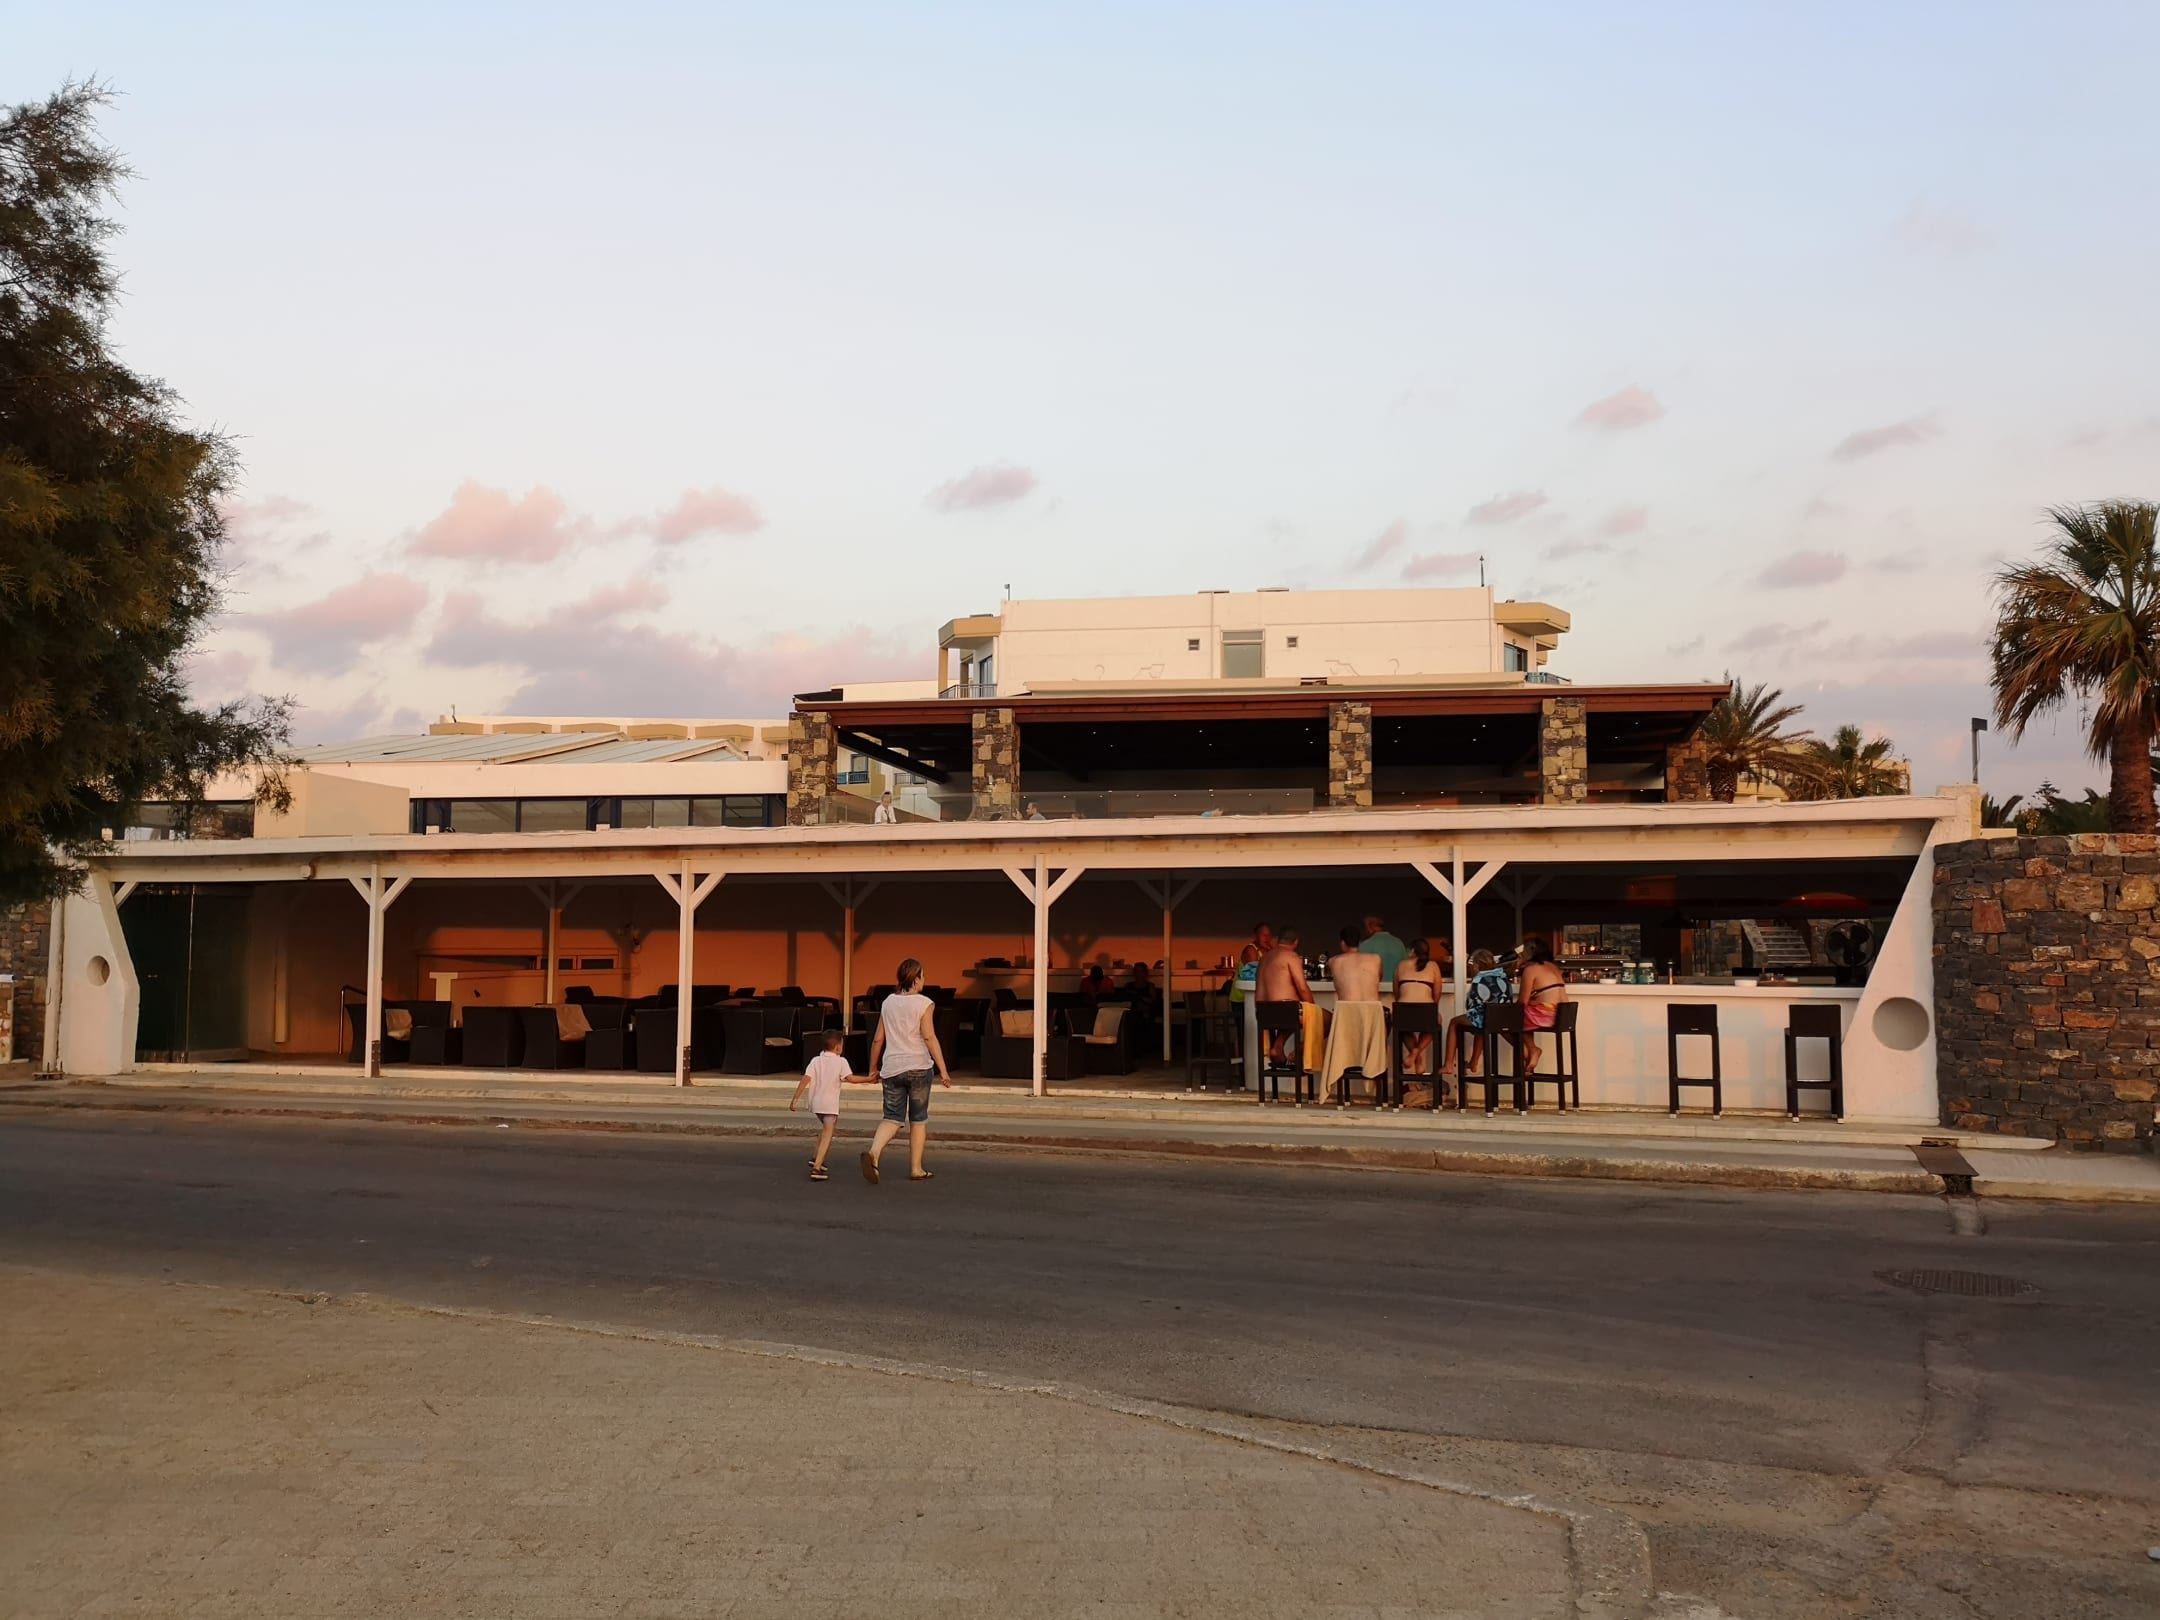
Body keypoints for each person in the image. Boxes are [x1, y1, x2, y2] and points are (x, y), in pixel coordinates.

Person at [861, 957, 950, 1184]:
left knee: (891, 1117)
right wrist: (943, 1070)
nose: (924, 980)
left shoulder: (887, 1002)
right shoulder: (925, 1003)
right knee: (918, 1119)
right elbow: (929, 1037)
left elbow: (878, 1039)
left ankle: (874, 1152)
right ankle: (916, 1168)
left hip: (892, 1068)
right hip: (919, 1066)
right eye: (923, 976)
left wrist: (873, 1068)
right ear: (916, 978)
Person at [788, 1028, 869, 1182]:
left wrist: (795, 1099)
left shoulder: (815, 1060)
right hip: (830, 1105)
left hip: (816, 1104)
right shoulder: (841, 1062)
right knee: (828, 1134)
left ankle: (815, 1157)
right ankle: (817, 1168)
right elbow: (851, 1078)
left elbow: (806, 1079)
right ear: (838, 1047)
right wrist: (868, 1079)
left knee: (826, 1129)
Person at [1445, 950, 1511, 1080]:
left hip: (1486, 1018)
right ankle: (1473, 1062)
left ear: (1477, 965)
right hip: (1502, 1019)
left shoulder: (1479, 979)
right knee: (1481, 1026)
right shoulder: (1503, 977)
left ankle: (1448, 1064)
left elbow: (1472, 1004)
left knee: (1454, 1022)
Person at [1256, 926, 1313, 1064]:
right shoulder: (1291, 956)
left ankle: (1278, 1047)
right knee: (1326, 1020)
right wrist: (1313, 1007)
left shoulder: (1264, 958)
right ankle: (1296, 1053)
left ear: (1278, 940)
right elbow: (1302, 988)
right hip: (1286, 1011)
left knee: (1288, 1015)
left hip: (1263, 1013)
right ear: (1296, 942)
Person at [1392, 937, 1445, 1078]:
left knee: (1403, 1027)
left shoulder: (1401, 965)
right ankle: (1416, 1054)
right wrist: (1432, 1008)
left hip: (1403, 1010)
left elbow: (1396, 992)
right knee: (1435, 1022)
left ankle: (1415, 1054)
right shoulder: (1433, 965)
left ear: (1413, 951)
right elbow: (1437, 993)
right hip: (1426, 1010)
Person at [1516, 938, 1568, 1075]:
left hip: (1546, 1015)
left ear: (1531, 952)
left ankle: (1529, 1050)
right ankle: (1530, 1051)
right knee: (1519, 1018)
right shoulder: (1554, 967)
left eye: (1524, 950)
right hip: (1561, 1016)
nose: (1521, 953)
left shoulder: (1531, 969)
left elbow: (1522, 1002)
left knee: (1504, 1019)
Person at [1327, 925, 1383, 1002]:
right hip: (1372, 1008)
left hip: (1346, 1008)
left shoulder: (1333, 961)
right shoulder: (1376, 959)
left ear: (1343, 943)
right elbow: (1379, 979)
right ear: (1359, 943)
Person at [1228, 923, 1274, 1005]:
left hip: (1258, 996)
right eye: (1263, 935)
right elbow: (1255, 974)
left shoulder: (1269, 950)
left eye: (1269, 935)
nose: (1267, 938)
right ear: (1255, 936)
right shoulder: (1250, 949)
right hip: (1242, 998)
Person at [1358, 915, 1408, 984]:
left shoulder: (1365, 945)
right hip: (1396, 986)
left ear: (1370, 927)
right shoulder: (1399, 943)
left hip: (1375, 987)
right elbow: (1406, 966)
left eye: (1365, 928)